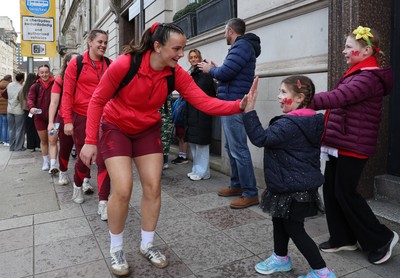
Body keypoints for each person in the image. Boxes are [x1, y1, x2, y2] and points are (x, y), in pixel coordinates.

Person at [79, 22, 246, 276]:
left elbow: (203, 101)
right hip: (116, 127)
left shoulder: (174, 73)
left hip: (147, 129)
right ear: (157, 46)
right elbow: (98, 100)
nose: (181, 54)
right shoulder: (126, 64)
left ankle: (147, 245)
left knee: (153, 187)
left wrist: (238, 105)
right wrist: (90, 139)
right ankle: (116, 249)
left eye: (183, 49)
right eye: (176, 49)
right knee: (122, 189)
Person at [310, 26, 398, 265]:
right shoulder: (357, 73)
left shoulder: (369, 77)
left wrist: (305, 98)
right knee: (331, 189)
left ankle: (382, 238)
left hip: (354, 145)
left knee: (346, 193)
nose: (344, 51)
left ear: (366, 50)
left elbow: (338, 98)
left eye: (349, 47)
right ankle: (342, 238)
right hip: (340, 142)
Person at [243, 76, 336, 278]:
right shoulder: (309, 120)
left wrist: (249, 110)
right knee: (279, 221)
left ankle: (322, 272)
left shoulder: (290, 124)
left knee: (295, 229)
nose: (278, 96)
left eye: (284, 92)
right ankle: (280, 258)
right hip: (290, 184)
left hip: (294, 190)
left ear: (299, 97)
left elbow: (260, 138)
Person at [198, 18, 261, 209]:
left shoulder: (241, 46)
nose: (224, 34)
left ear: (231, 30)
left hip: (234, 105)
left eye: (225, 30)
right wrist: (217, 68)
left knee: (238, 149)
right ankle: (236, 185)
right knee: (231, 149)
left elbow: (225, 74)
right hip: (230, 104)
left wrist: (211, 69)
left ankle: (250, 193)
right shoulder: (240, 47)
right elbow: (228, 72)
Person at [61, 29, 112, 211]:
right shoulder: (76, 64)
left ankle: (103, 202)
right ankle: (77, 186)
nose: (103, 45)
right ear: (90, 42)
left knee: (105, 159)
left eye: (105, 42)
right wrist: (67, 120)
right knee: (85, 157)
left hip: (106, 117)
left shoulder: (109, 64)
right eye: (100, 42)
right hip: (82, 116)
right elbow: (66, 94)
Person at [185, 49, 216, 181]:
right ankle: (198, 170)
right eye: (191, 57)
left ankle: (202, 171)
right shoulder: (192, 72)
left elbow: (199, 90)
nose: (193, 60)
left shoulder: (204, 71)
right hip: (192, 111)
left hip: (202, 112)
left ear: (200, 58)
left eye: (195, 57)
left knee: (201, 144)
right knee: (194, 143)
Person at [27, 65, 57, 172]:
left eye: (46, 72)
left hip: (54, 118)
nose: (44, 74)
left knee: (53, 141)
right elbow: (30, 99)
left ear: (49, 73)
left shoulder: (56, 84)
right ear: (38, 74)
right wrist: (31, 108)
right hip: (39, 118)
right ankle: (45, 161)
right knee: (44, 141)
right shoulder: (35, 86)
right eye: (42, 72)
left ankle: (53, 165)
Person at [21, 73, 41, 152]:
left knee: (29, 129)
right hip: (36, 110)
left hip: (27, 111)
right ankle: (38, 145)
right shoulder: (36, 87)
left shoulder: (24, 88)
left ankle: (30, 146)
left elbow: (20, 99)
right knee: (38, 128)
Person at [6, 72, 26, 151]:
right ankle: (19, 147)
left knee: (11, 129)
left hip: (9, 110)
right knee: (19, 129)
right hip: (19, 111)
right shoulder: (21, 88)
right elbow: (22, 101)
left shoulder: (9, 85)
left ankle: (12, 146)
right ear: (22, 80)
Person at [171, 95, 189, 165]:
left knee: (184, 139)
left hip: (183, 122)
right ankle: (181, 155)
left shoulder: (185, 100)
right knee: (180, 138)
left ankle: (184, 156)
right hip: (178, 122)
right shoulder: (179, 100)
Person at [0, 74, 12, 146]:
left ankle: (2, 139)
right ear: (9, 79)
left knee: (1, 124)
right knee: (7, 125)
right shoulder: (9, 86)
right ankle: (6, 140)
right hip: (7, 108)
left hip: (0, 109)